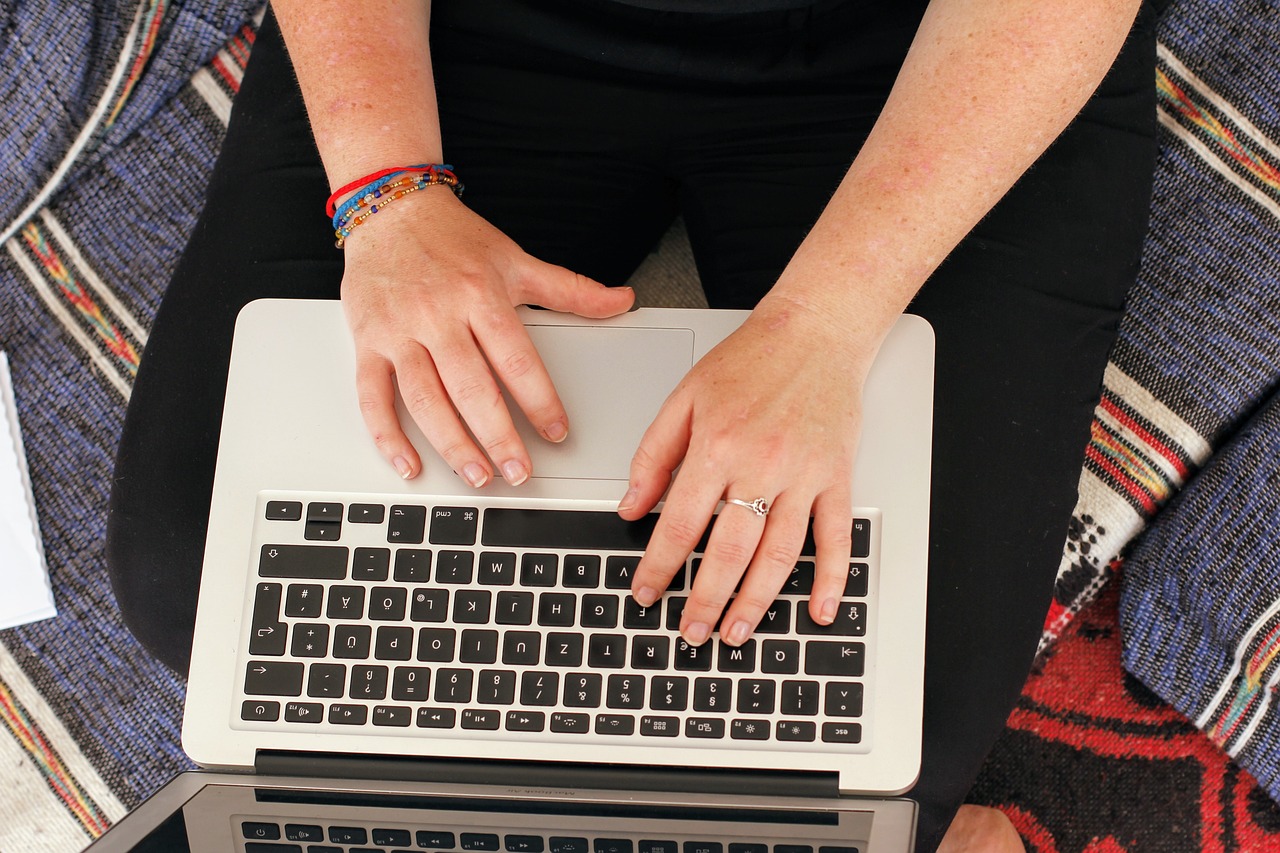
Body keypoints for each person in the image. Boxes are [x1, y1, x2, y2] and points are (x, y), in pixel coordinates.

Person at [106, 0, 1166, 850]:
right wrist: (387, 193)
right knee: (201, 575)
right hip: (485, 29)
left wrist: (824, 327)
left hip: (919, 51)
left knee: (886, 691)